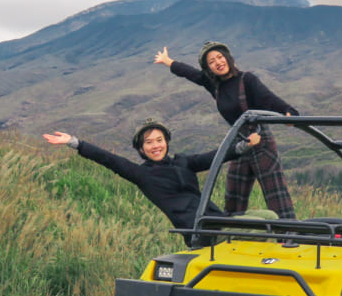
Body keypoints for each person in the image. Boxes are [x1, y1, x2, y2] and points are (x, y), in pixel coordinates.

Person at [43, 118, 267, 246]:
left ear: (167, 142)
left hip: (219, 220)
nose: (155, 145)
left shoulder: (183, 163)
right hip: (201, 231)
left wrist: (243, 146)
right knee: (262, 231)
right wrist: (74, 142)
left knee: (269, 218)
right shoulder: (143, 174)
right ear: (141, 149)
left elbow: (215, 156)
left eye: (159, 140)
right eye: (149, 142)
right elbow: (110, 160)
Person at [154, 41, 298, 219]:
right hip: (239, 143)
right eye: (212, 61)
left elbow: (267, 98)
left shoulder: (247, 80)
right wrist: (168, 62)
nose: (218, 62)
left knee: (276, 195)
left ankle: (290, 239)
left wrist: (289, 113)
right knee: (233, 196)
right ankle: (233, 237)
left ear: (228, 58)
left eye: (220, 57)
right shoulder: (215, 85)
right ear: (209, 68)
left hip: (261, 142)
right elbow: (191, 74)